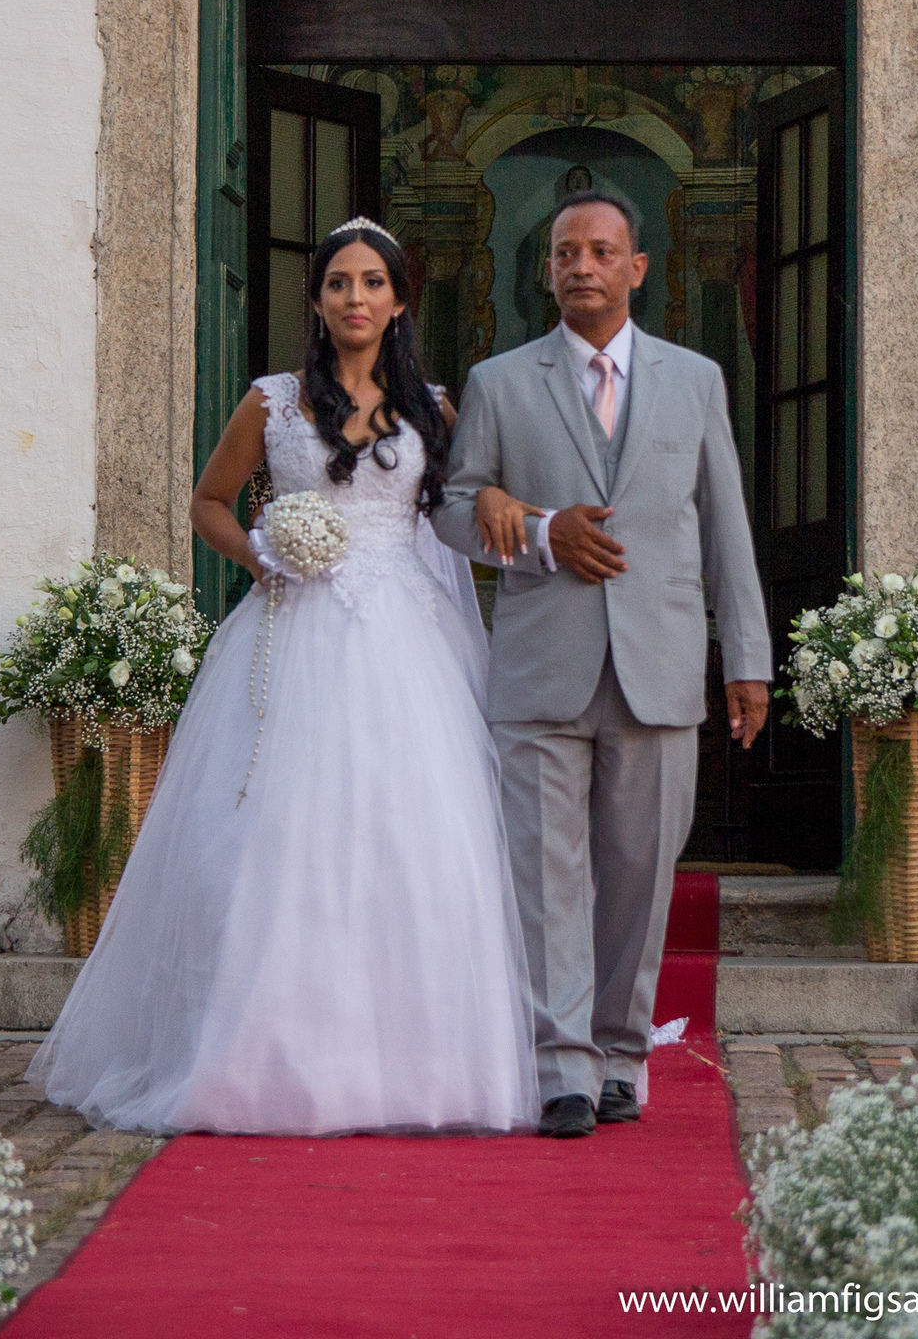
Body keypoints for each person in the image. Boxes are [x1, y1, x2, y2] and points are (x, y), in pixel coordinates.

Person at [27, 218, 538, 1136]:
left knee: (417, 839)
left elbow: (467, 511)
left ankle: (423, 1064)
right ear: (316, 299)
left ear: (397, 298)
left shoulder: (433, 407)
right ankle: (266, 1054)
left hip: (409, 643)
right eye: (338, 282)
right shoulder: (271, 403)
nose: (355, 298)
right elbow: (208, 504)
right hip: (296, 631)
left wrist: (508, 503)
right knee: (286, 838)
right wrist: (264, 554)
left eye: (372, 282)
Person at [433, 190, 771, 1139]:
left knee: (637, 876)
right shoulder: (499, 381)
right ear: (546, 271)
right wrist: (539, 533)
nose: (582, 265)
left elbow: (727, 527)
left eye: (601, 250)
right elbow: (456, 510)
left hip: (660, 665)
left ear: (638, 268)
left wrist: (747, 660)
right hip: (542, 667)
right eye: (564, 252)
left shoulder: (694, 379)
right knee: (546, 881)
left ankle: (622, 1056)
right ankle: (561, 1071)